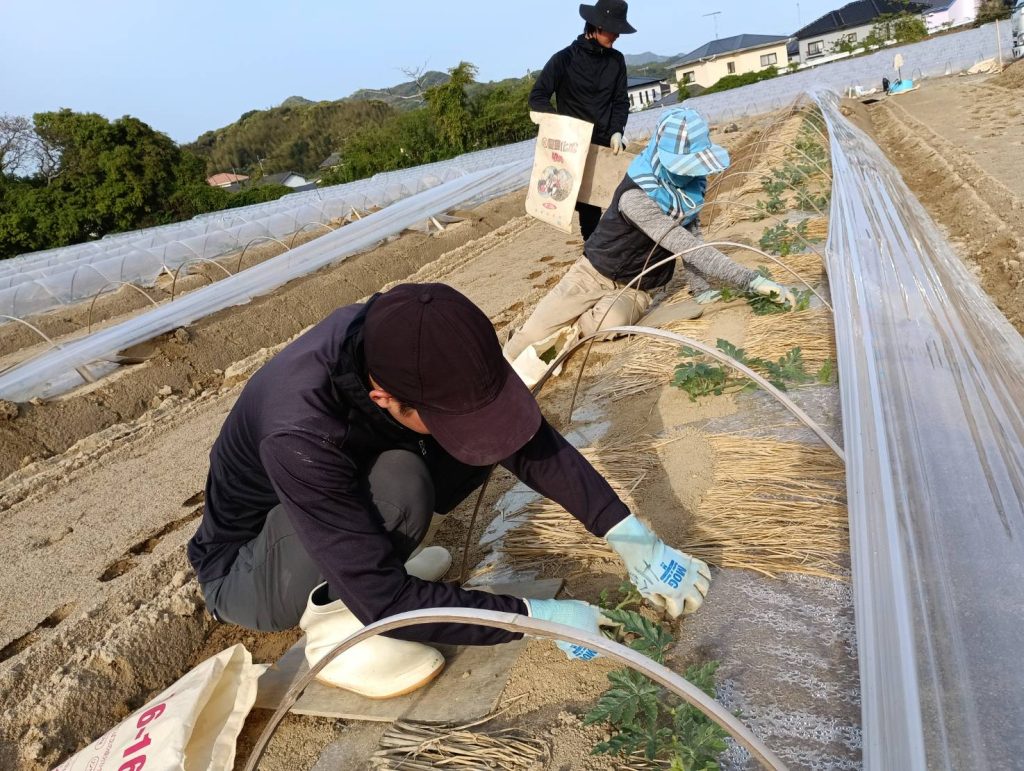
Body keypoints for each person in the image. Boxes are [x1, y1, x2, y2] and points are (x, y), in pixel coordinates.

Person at [187, 283, 712, 699]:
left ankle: (368, 564)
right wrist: (541, 619)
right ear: (383, 397)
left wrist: (630, 535)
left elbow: (523, 441)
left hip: (311, 520)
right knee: (401, 483)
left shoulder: (415, 338)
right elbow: (387, 600)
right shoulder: (299, 432)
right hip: (245, 572)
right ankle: (338, 624)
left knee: (479, 440)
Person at [504, 107, 797, 386]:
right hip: (591, 274)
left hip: (638, 288)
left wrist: (701, 288)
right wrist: (750, 280)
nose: (690, 173)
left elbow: (691, 235)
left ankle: (575, 328)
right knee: (529, 336)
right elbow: (683, 244)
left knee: (610, 322)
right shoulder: (636, 196)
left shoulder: (691, 187)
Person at [529, 0, 634, 240]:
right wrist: (560, 127)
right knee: (589, 214)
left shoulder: (616, 61)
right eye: (613, 29)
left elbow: (620, 101)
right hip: (574, 150)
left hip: (607, 146)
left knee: (622, 202)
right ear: (597, 26)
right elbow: (538, 97)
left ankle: (623, 251)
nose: (617, 35)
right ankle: (593, 253)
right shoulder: (563, 59)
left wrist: (617, 131)